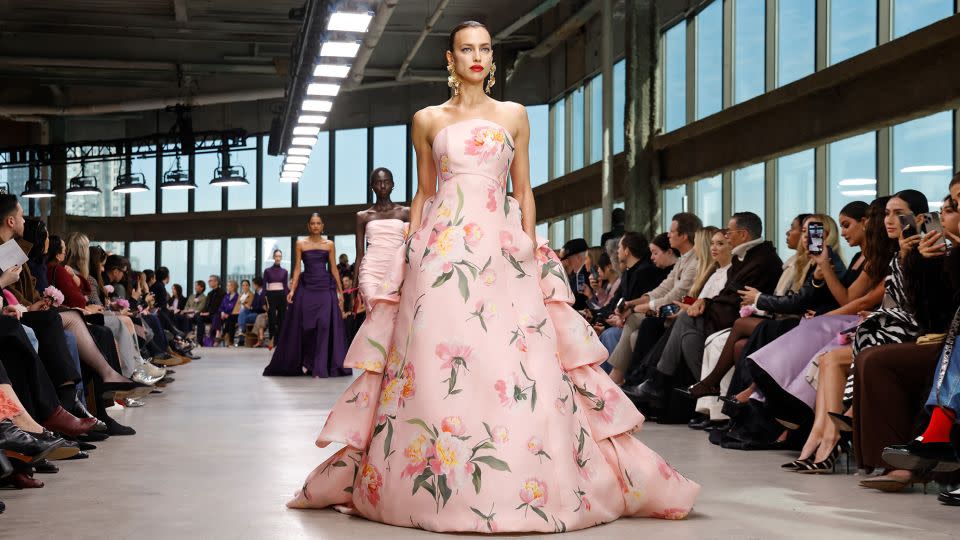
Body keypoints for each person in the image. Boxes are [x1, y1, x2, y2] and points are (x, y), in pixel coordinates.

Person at [285, 20, 698, 532]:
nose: (477, 56)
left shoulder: (514, 115)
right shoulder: (428, 120)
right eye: (466, 49)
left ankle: (520, 481)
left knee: (512, 358)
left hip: (503, 249)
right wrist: (414, 245)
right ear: (451, 59)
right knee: (436, 360)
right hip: (440, 253)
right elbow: (425, 192)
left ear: (492, 59)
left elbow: (523, 189)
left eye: (484, 48)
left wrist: (526, 241)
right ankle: (435, 484)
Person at [263, 214, 349, 377]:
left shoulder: (329, 244)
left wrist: (340, 292)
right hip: (307, 286)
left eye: (318, 223)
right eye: (312, 223)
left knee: (324, 325)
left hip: (324, 287)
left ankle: (320, 367)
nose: (316, 226)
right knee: (307, 326)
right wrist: (293, 290)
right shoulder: (300, 243)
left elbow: (333, 269)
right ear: (308, 226)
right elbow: (296, 268)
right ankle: (308, 362)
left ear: (323, 226)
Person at [353, 167, 410, 309]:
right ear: (372, 186)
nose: (383, 186)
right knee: (374, 313)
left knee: (393, 318)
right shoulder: (363, 216)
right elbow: (360, 254)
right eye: (378, 182)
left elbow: (412, 247)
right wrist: (354, 288)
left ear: (393, 184)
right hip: (370, 272)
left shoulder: (406, 212)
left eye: (386, 182)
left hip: (396, 271)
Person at [262, 250, 288, 347]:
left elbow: (285, 287)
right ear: (273, 257)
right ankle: (272, 339)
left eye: (279, 256)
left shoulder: (285, 271)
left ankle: (280, 341)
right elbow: (264, 286)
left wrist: (287, 300)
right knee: (272, 319)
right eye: (276, 256)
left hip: (282, 296)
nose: (278, 258)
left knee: (282, 319)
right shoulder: (267, 271)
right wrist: (263, 301)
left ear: (281, 258)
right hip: (271, 296)